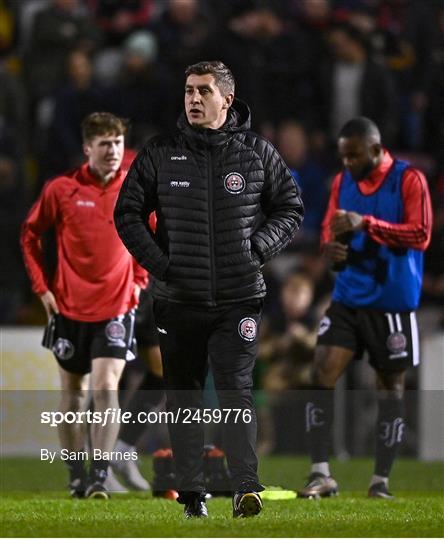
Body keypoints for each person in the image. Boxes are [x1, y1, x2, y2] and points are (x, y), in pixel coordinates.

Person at [114, 60, 304, 518]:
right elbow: (127, 214)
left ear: (227, 99)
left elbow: (290, 208)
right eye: (189, 91)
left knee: (237, 391)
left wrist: (256, 250)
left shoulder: (257, 152)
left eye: (203, 91)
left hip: (239, 297)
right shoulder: (162, 151)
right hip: (179, 299)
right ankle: (193, 495)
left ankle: (244, 487)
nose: (193, 99)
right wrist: (162, 265)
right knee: (184, 395)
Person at [298, 117, 432, 500]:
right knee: (321, 372)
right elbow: (328, 227)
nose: (348, 164)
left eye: (354, 156)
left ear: (376, 150)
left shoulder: (409, 180)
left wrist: (367, 224)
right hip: (348, 299)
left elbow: (421, 234)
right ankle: (320, 472)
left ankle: (380, 482)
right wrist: (331, 247)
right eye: (343, 157)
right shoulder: (343, 181)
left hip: (392, 303)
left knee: (390, 389)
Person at [21, 112, 148, 499]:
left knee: (107, 387)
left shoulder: (135, 188)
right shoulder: (62, 190)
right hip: (69, 308)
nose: (113, 151)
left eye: (118, 143)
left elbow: (152, 233)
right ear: (87, 148)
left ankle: (99, 474)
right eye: (105, 144)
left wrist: (140, 280)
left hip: (116, 306)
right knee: (73, 396)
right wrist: (42, 287)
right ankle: (77, 474)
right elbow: (30, 235)